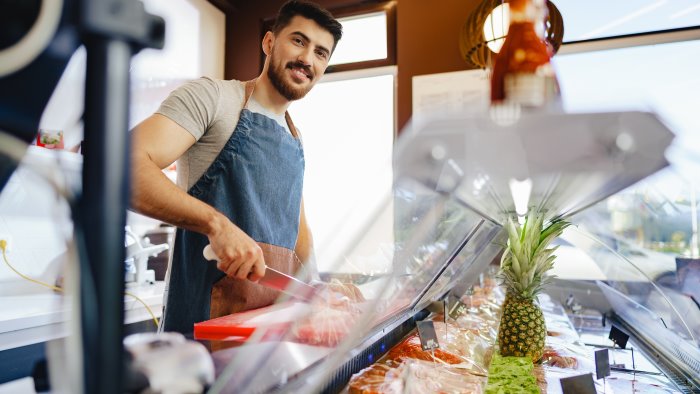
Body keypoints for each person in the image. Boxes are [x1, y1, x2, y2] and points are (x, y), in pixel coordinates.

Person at [130, 0, 348, 334]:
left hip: (269, 341)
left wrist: (315, 288)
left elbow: (298, 230)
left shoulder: (295, 138)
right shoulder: (212, 99)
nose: (307, 59)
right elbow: (123, 168)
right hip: (201, 339)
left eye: (321, 53)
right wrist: (217, 225)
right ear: (269, 42)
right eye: (299, 41)